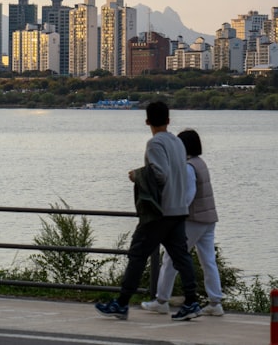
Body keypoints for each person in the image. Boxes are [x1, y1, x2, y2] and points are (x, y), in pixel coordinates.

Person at [95, 101, 202, 321]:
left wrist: (138, 175)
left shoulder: (155, 143)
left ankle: (122, 303)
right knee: (182, 257)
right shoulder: (178, 143)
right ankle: (192, 301)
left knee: (137, 254)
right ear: (169, 120)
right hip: (179, 209)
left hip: (160, 212)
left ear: (147, 121)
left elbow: (160, 174)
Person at [141, 128, 224, 316]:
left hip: (193, 219)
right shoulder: (200, 163)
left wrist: (173, 212)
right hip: (209, 219)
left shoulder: (188, 167)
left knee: (171, 258)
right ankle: (215, 301)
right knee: (208, 260)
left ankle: (162, 299)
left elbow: (187, 196)